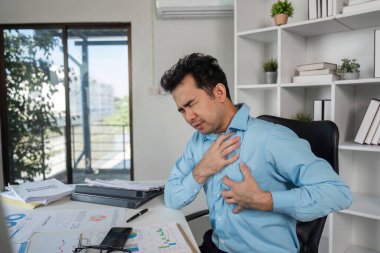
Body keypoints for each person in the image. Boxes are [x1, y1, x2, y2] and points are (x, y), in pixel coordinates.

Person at [160, 53, 352, 253]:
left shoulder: (271, 138)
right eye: (182, 110)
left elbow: (339, 193)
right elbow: (172, 198)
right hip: (216, 246)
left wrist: (266, 200)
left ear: (218, 92)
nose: (189, 117)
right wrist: (202, 170)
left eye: (191, 104)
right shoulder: (197, 143)